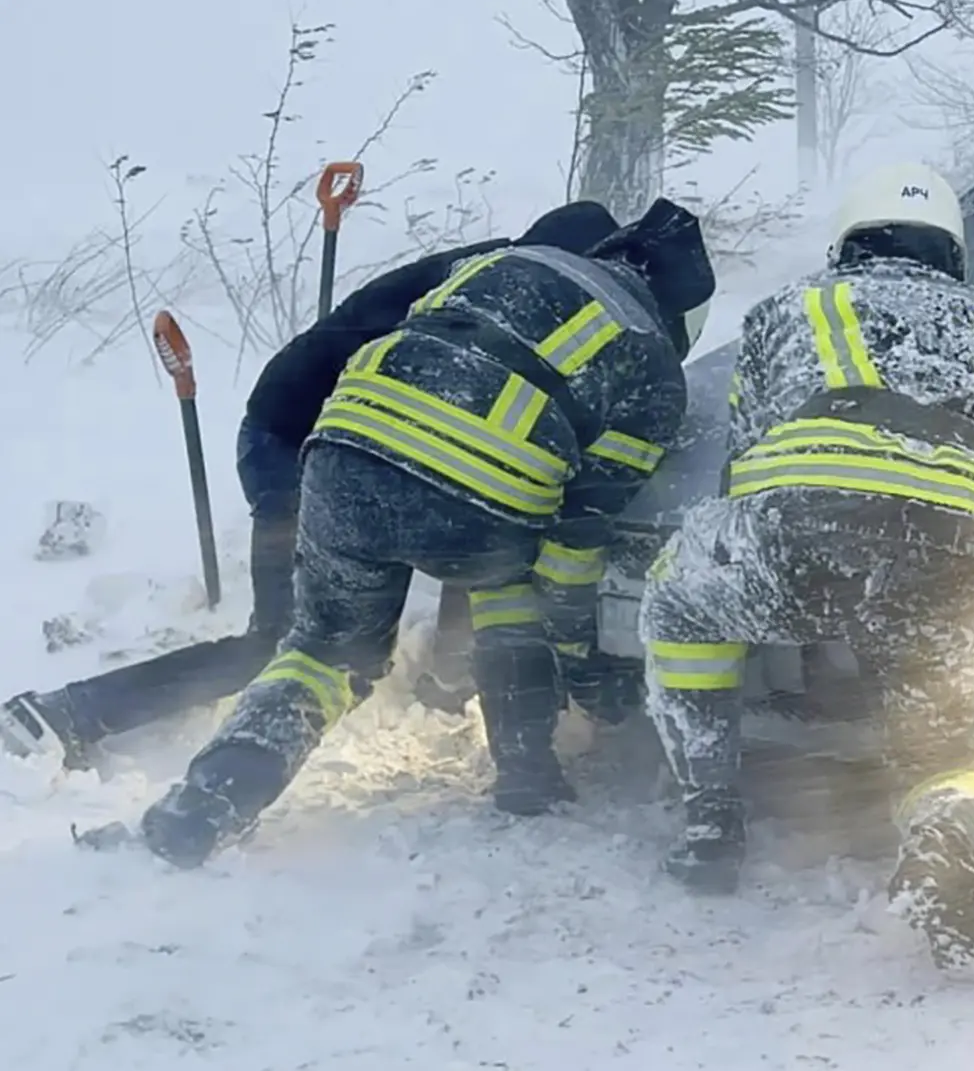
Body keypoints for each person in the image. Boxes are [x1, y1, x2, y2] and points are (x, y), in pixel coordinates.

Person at [133, 197, 716, 869]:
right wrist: (581, 655)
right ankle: (526, 774)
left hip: (340, 460)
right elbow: (577, 538)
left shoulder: (496, 263)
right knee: (510, 582)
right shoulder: (650, 362)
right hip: (474, 501)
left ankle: (207, 801)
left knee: (324, 653)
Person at [637, 162, 974, 981]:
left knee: (681, 600)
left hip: (807, 521)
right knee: (962, 743)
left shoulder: (790, 308)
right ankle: (947, 843)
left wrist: (788, 574)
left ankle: (711, 814)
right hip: (967, 545)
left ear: (847, 243)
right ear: (952, 251)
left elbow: (746, 460)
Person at [0, 203, 626, 769]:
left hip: (355, 443)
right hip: (296, 445)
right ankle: (67, 711)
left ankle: (444, 682)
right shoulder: (505, 296)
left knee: (477, 516)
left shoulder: (497, 277)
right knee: (280, 642)